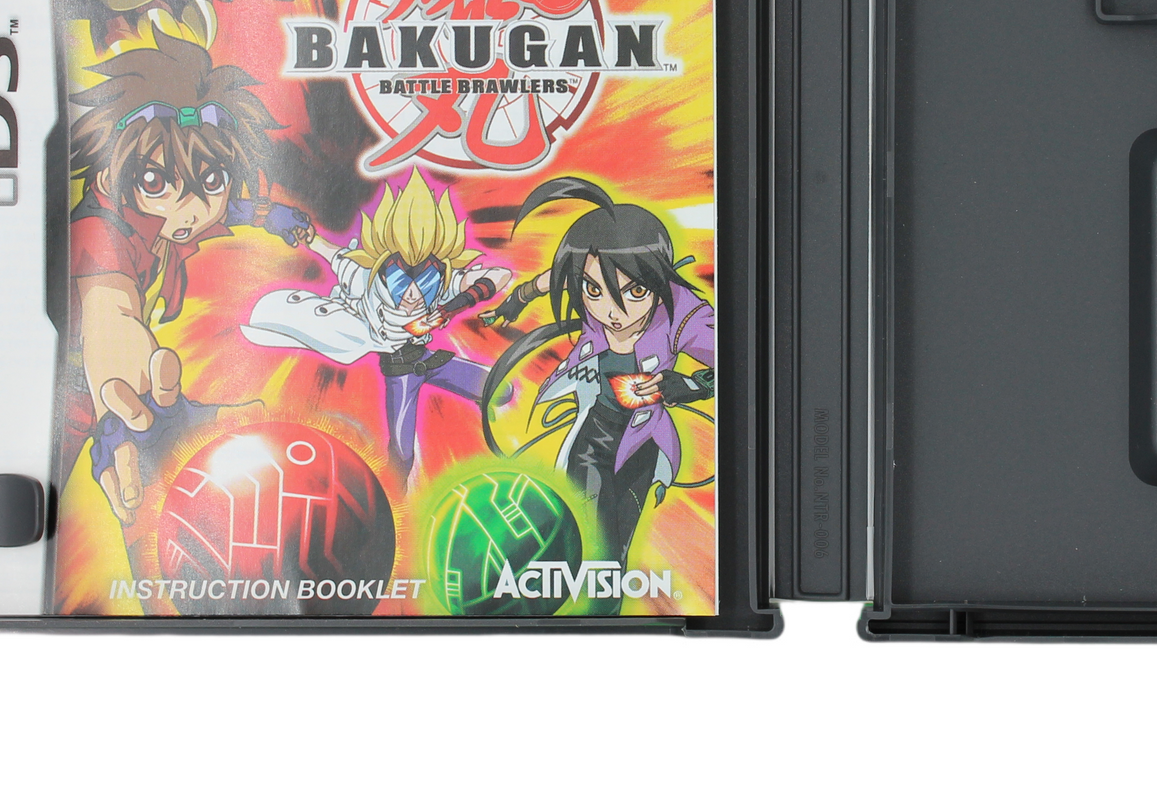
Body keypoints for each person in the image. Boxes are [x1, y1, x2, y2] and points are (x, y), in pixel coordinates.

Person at [65, 30, 310, 523]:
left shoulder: (168, 218)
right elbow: (109, 309)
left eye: (212, 180)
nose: (190, 209)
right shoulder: (100, 229)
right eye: (155, 181)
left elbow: (218, 209)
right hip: (74, 396)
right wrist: (122, 400)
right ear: (113, 175)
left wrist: (266, 214)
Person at [479, 177, 714, 565]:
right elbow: (550, 279)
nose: (611, 311)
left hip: (643, 443)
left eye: (635, 292)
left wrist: (695, 385)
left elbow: (738, 360)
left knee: (616, 553)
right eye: (593, 290)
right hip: (592, 441)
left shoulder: (681, 313)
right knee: (595, 547)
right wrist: (516, 300)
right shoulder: (587, 282)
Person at [242, 167, 503, 479]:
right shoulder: (364, 278)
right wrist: (305, 235)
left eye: (426, 281)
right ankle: (393, 503)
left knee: (502, 388)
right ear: (383, 267)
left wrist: (452, 306)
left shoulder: (444, 278)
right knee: (401, 457)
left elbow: (499, 275)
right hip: (401, 374)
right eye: (399, 280)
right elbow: (328, 250)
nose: (412, 294)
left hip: (432, 361)